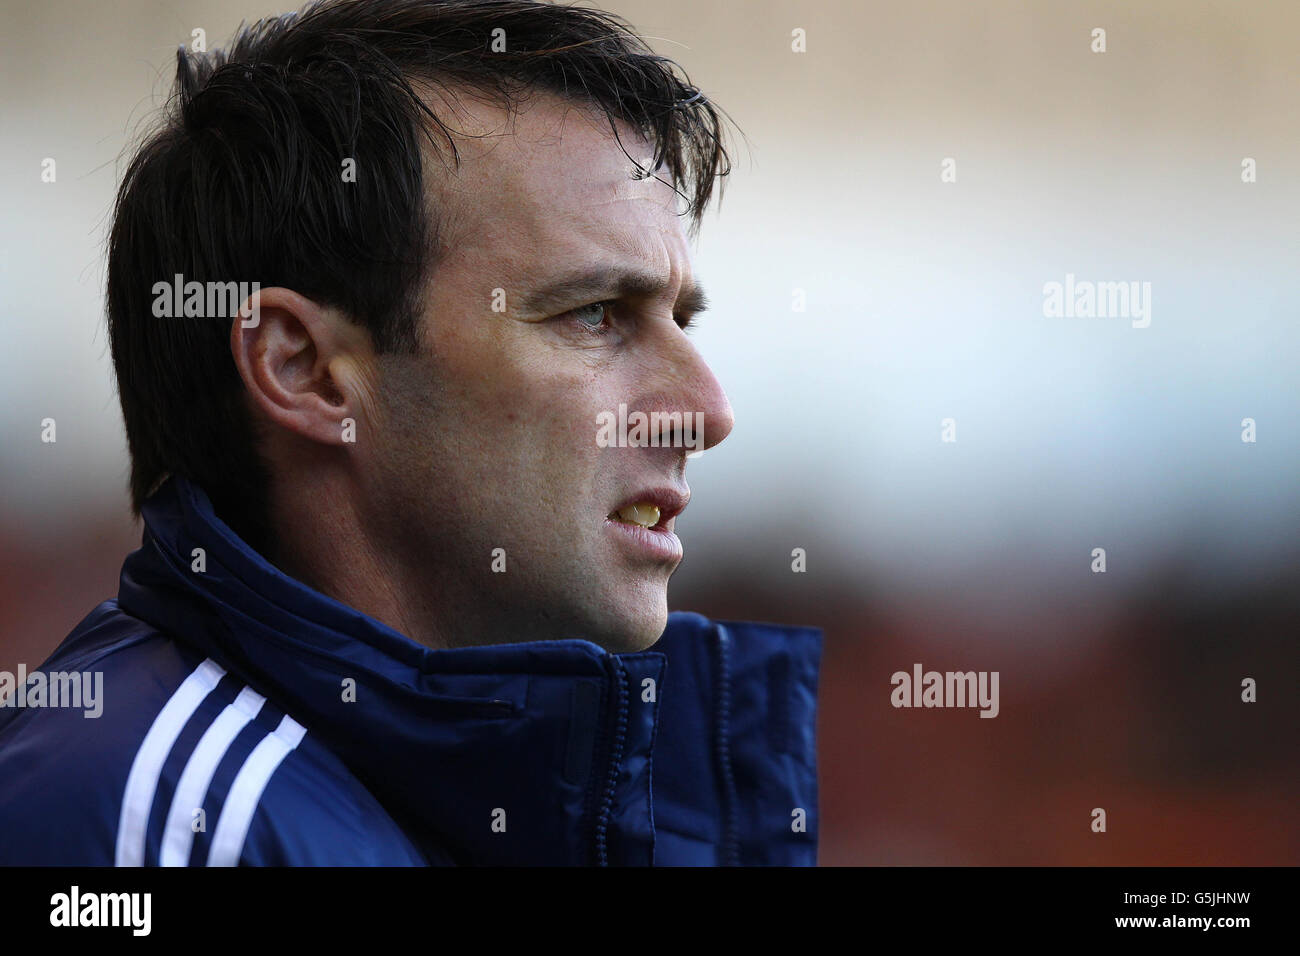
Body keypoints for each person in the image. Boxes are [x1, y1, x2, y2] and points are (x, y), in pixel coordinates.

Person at [0, 0, 821, 865]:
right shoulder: (155, 826)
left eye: (682, 320)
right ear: (304, 371)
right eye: (594, 314)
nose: (707, 409)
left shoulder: (471, 804)